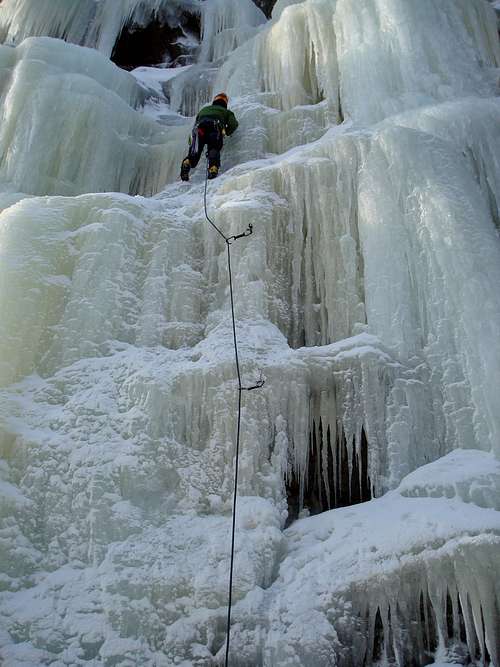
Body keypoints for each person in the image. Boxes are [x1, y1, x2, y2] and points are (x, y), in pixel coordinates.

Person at [180, 93, 238, 181]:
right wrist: (226, 132)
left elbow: (196, 122)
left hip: (199, 130)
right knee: (214, 148)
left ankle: (188, 161)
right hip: (214, 129)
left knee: (195, 150)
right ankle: (213, 168)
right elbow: (233, 124)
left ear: (214, 102)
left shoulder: (204, 109)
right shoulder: (227, 112)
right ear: (225, 104)